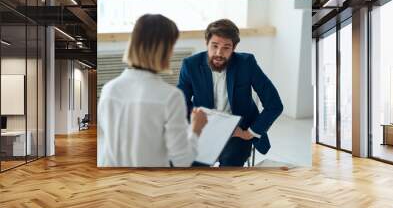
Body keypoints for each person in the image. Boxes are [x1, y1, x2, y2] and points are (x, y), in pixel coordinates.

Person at [98, 14, 207, 167]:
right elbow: (182, 160)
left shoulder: (109, 90)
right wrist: (196, 129)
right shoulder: (171, 97)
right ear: (165, 49)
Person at [177, 19, 283, 167]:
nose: (219, 53)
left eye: (226, 47)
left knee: (231, 162)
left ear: (234, 48)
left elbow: (274, 104)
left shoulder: (247, 63)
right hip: (204, 129)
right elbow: (181, 104)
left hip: (237, 131)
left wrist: (249, 133)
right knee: (191, 163)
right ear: (206, 43)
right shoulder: (190, 65)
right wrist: (194, 126)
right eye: (214, 46)